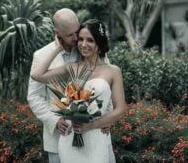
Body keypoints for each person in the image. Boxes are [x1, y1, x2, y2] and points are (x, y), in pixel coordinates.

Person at [31, 19, 126, 163]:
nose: (83, 44)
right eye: (80, 39)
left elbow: (120, 109)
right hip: (70, 136)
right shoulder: (72, 68)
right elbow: (37, 75)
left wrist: (92, 125)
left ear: (99, 44)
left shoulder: (113, 71)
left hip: (96, 135)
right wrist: (58, 48)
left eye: (90, 40)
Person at [27, 8, 80, 163]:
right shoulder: (41, 56)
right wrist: (53, 121)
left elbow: (106, 84)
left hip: (91, 134)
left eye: (77, 31)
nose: (76, 38)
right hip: (58, 140)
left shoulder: (89, 47)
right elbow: (34, 95)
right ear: (57, 33)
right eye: (70, 35)